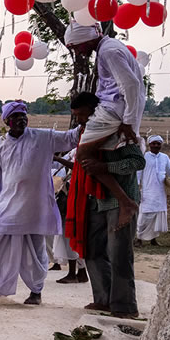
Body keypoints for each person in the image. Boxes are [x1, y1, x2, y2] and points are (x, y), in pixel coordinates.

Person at [0, 101, 80, 305]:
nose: (22, 120)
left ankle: (36, 292)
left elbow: (70, 138)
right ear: (7, 121)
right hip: (7, 206)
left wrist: (91, 118)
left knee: (36, 251)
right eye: (16, 117)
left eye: (24, 117)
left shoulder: (43, 136)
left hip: (35, 207)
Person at [65, 22, 146, 227]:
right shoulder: (108, 47)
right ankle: (122, 201)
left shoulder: (109, 51)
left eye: (75, 46)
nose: (76, 52)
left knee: (82, 156)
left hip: (112, 110)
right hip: (112, 108)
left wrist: (128, 121)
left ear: (86, 39)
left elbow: (131, 84)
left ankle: (125, 203)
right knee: (86, 157)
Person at [78, 143, 146, 318]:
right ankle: (103, 299)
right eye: (75, 115)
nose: (79, 120)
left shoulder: (120, 137)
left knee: (119, 253)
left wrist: (106, 167)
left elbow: (138, 162)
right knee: (92, 250)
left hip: (120, 201)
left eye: (81, 115)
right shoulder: (88, 136)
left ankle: (125, 305)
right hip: (96, 200)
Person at [52, 92, 98, 284]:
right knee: (69, 232)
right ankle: (78, 271)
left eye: (80, 115)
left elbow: (82, 165)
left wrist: (57, 159)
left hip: (82, 192)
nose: (78, 120)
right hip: (73, 190)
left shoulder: (94, 136)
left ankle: (78, 272)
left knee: (74, 232)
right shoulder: (80, 138)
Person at [136, 135, 170, 246]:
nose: (156, 145)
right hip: (147, 192)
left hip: (160, 193)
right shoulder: (144, 156)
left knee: (157, 217)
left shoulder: (164, 157)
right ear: (149, 144)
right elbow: (138, 174)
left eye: (158, 143)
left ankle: (153, 240)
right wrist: (136, 188)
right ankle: (138, 239)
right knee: (143, 216)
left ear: (161, 145)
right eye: (154, 143)